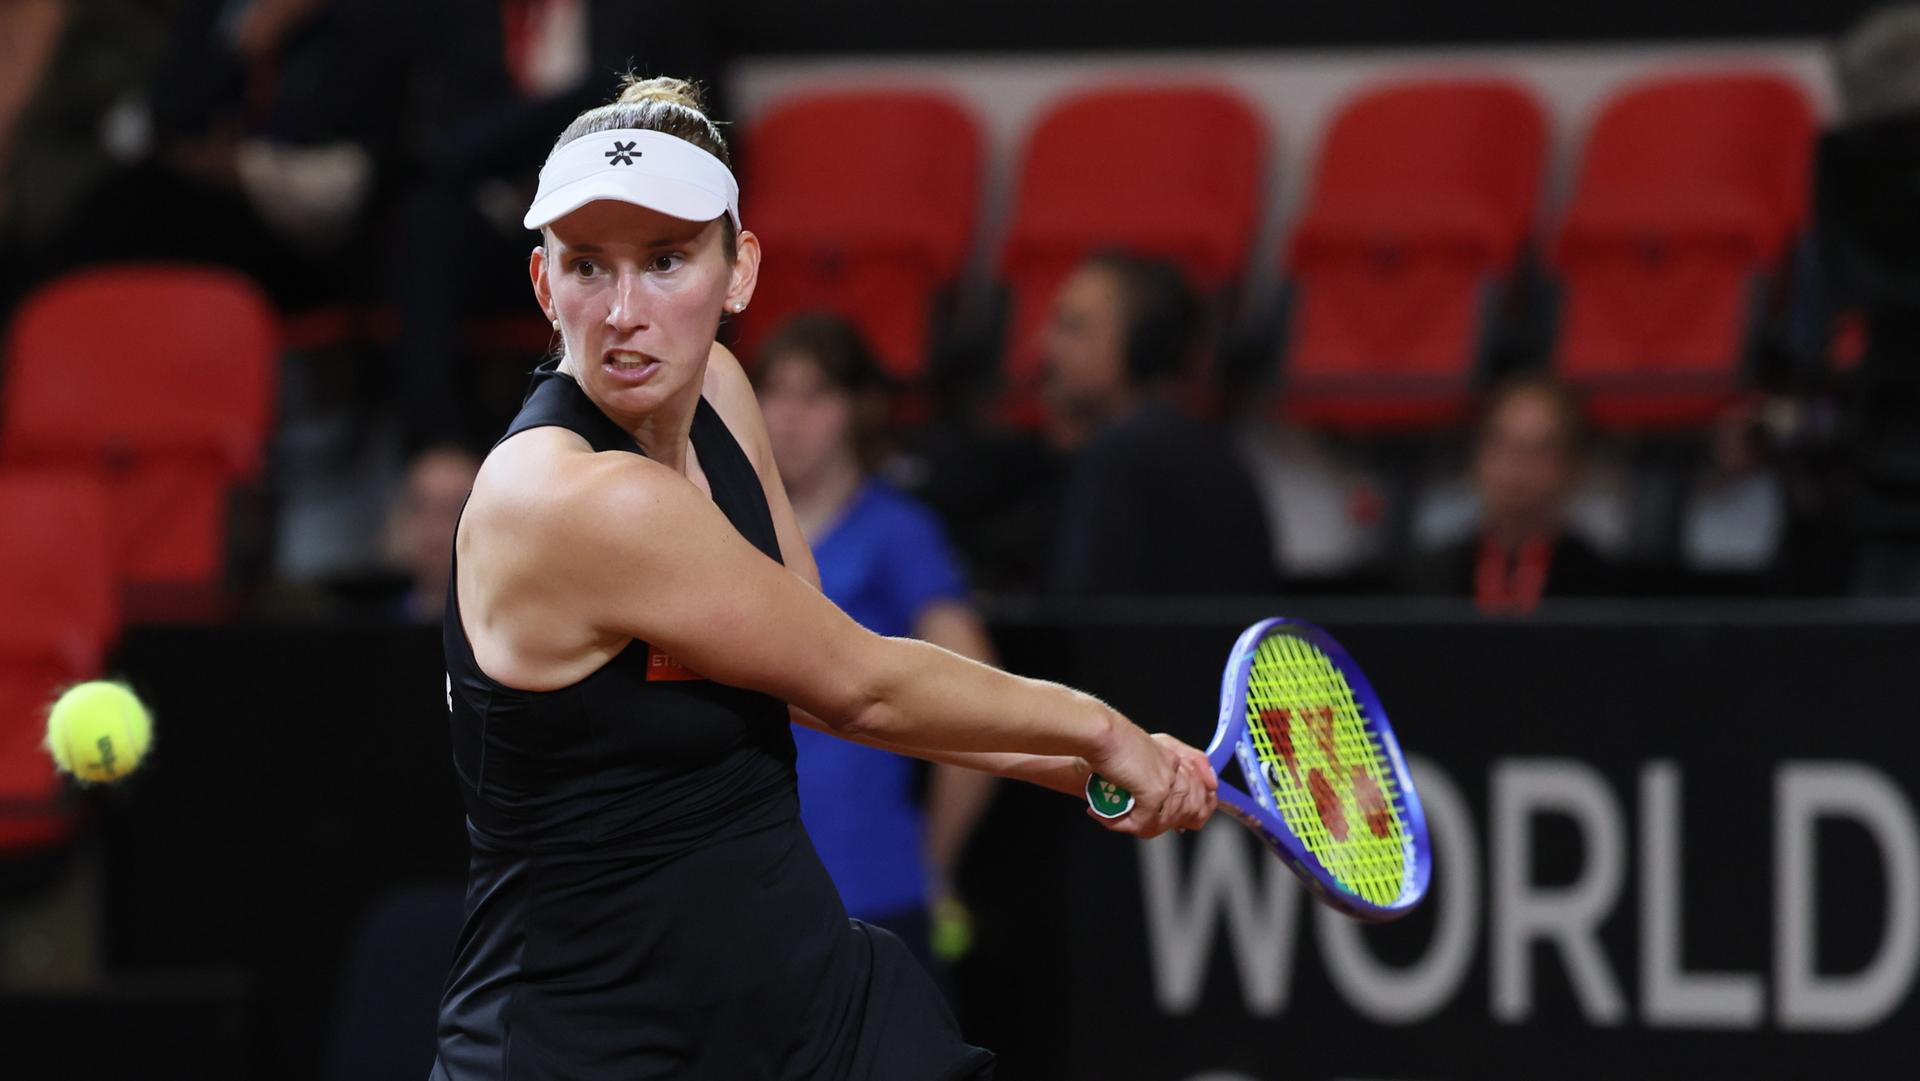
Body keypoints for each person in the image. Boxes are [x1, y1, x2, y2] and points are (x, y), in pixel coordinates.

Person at [432, 76, 1216, 1081]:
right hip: (589, 1046)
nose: (626, 312)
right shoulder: (568, 498)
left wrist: (1078, 767)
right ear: (545, 286)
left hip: (798, 1003)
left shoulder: (720, 391)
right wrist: (1099, 730)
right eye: (589, 266)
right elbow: (860, 683)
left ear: (739, 272)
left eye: (667, 260)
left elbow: (811, 679)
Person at [754, 313, 997, 971]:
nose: (789, 417)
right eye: (774, 392)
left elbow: (981, 694)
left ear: (857, 409)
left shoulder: (898, 532)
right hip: (748, 887)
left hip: (872, 887)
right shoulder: (731, 530)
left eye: (815, 395)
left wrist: (934, 858)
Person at [1041, 251, 1278, 596]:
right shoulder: (1210, 448)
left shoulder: (1122, 454)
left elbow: (1081, 610)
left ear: (1143, 345)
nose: (1047, 345)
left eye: (1073, 327)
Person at [1403, 372, 1622, 610]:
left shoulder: (1608, 590)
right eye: (1501, 443)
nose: (1516, 464)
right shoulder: (1422, 582)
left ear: (1573, 466)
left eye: (1540, 449)